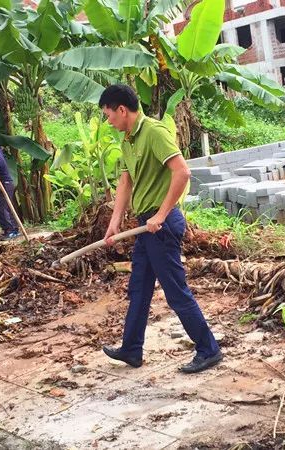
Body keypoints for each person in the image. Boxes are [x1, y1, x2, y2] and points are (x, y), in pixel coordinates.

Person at [98, 84, 222, 374]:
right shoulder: (127, 140)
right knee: (139, 288)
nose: (108, 121)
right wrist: (115, 221)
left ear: (122, 110)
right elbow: (126, 181)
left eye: (109, 115)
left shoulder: (153, 132)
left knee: (175, 291)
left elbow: (182, 172)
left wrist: (161, 214)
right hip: (146, 227)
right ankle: (131, 349)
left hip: (161, 226)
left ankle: (209, 349)